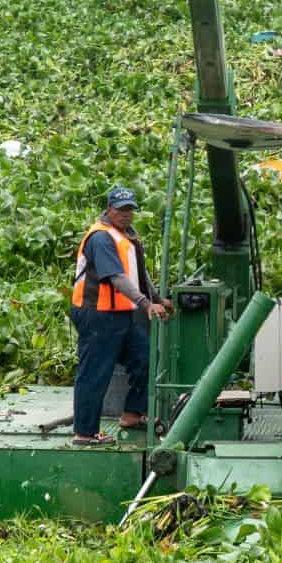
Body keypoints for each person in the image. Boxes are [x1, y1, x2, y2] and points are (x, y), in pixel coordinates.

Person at [68, 186, 170, 446]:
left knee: (145, 357)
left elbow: (138, 273)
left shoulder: (126, 235)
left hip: (120, 313)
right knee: (95, 372)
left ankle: (132, 414)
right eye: (121, 209)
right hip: (97, 315)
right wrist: (146, 304)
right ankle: (85, 433)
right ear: (109, 209)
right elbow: (116, 277)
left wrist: (157, 299)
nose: (126, 214)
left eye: (130, 210)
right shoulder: (101, 238)